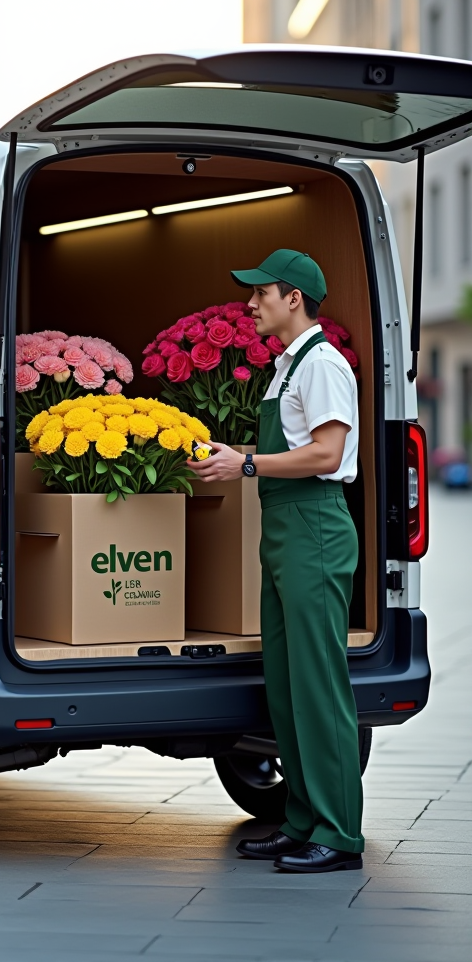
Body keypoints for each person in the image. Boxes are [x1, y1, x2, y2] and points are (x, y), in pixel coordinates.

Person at [188, 248, 364, 874]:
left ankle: (339, 835)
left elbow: (325, 454)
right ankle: (300, 821)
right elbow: (288, 445)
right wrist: (226, 453)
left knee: (320, 687)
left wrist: (249, 465)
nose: (250, 302)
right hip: (287, 529)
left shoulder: (322, 365)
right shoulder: (287, 368)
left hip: (314, 525)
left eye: (261, 292)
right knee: (288, 687)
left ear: (294, 299)